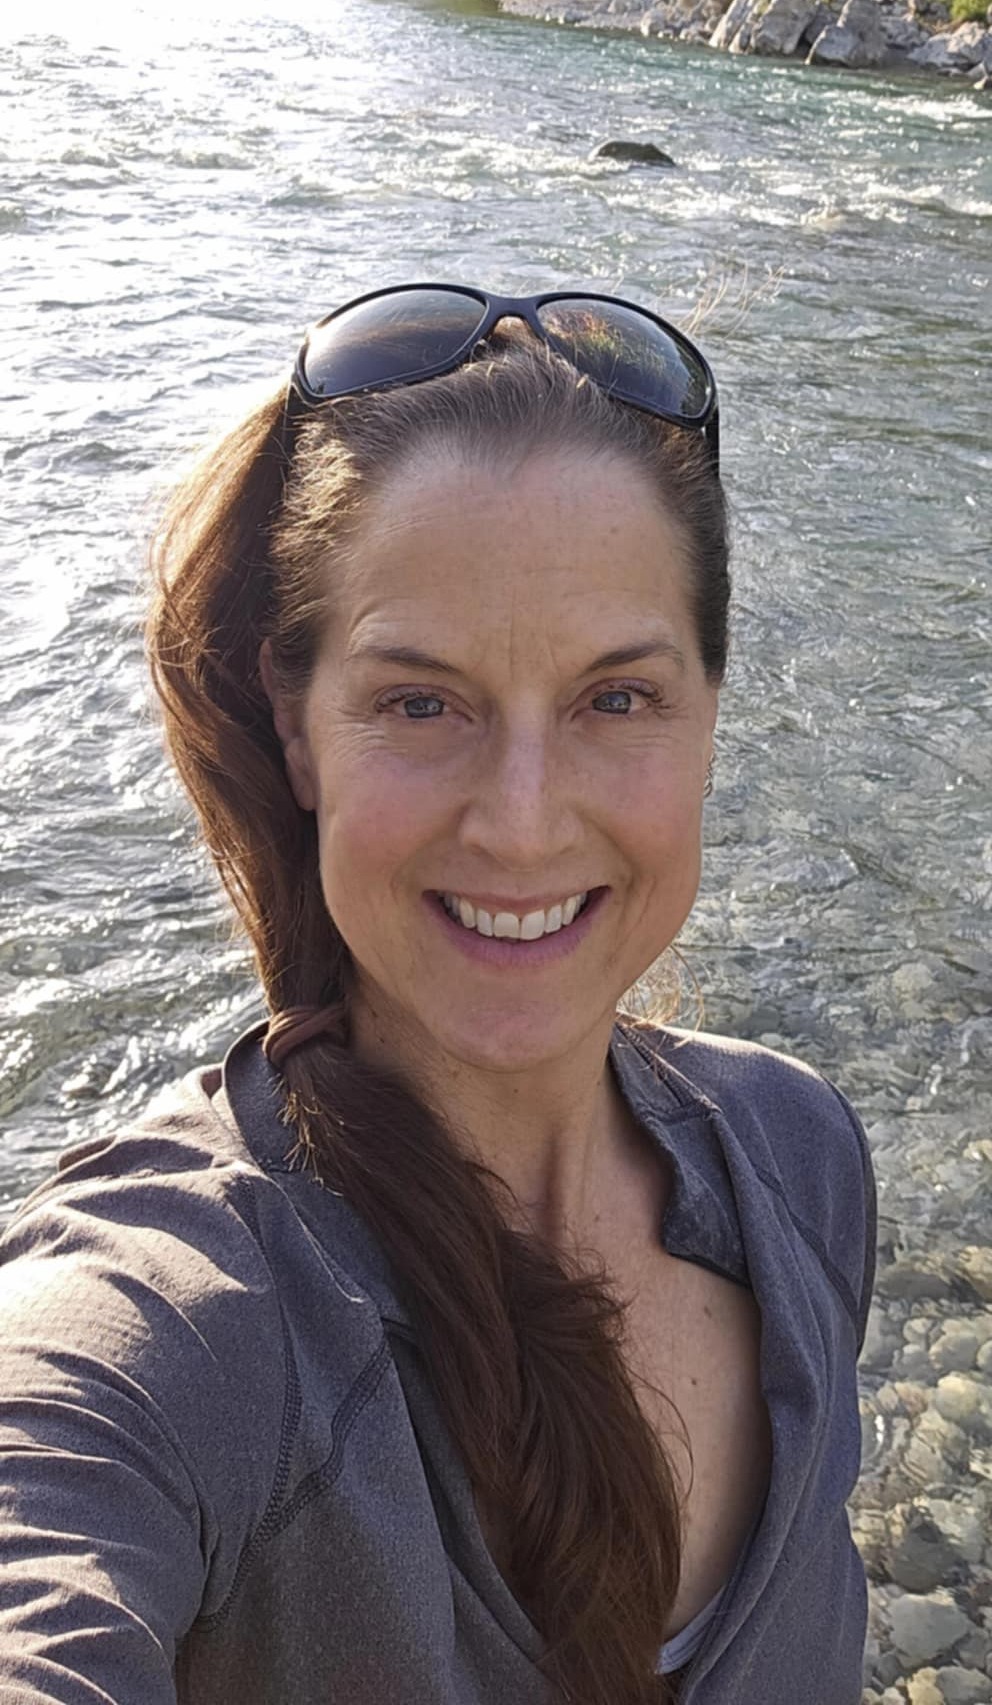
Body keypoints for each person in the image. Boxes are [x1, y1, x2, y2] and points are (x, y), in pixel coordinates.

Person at [0, 285, 876, 1705]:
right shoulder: (187, 1318)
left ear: (709, 712)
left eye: (615, 699)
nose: (521, 824)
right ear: (298, 727)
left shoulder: (802, 1161)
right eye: (421, 702)